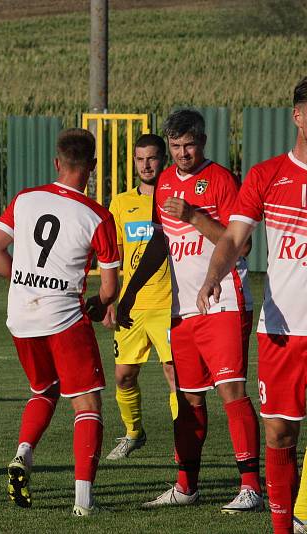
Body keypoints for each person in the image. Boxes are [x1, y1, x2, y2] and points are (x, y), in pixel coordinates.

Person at [116, 109, 261, 513]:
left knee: (231, 390)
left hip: (224, 301)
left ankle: (251, 486)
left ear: (203, 141)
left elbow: (241, 246)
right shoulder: (163, 183)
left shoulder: (221, 180)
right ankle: (186, 486)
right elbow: (160, 243)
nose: (182, 153)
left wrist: (195, 216)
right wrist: (129, 294)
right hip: (182, 307)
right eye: (176, 146)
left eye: (189, 145)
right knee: (188, 398)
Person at [0, 128, 120, 516]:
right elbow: (109, 290)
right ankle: (84, 502)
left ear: (57, 163)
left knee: (44, 389)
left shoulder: (26, 199)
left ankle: (23, 453)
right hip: (64, 318)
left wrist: (27, 284)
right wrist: (94, 304)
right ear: (91, 167)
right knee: (87, 402)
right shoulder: (98, 216)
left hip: (21, 317)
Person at [197, 77, 307, 534]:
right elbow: (233, 240)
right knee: (279, 434)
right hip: (283, 329)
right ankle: (285, 526)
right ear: (298, 116)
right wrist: (212, 276)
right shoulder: (266, 175)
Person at [102, 134, 176, 460]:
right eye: (140, 158)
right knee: (123, 375)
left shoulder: (175, 199)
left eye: (152, 158)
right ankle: (134, 433)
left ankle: (184, 442)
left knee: (174, 372)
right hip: (131, 306)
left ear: (164, 160)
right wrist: (109, 301)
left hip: (169, 302)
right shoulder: (120, 203)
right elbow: (113, 258)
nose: (146, 165)